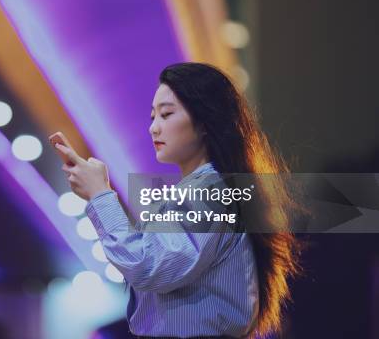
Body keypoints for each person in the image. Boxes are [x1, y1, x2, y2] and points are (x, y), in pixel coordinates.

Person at [56, 62, 303, 339]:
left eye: (166, 114)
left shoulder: (209, 192)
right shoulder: (204, 190)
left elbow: (149, 265)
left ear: (205, 122)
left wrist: (100, 195)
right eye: (153, 117)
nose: (154, 128)